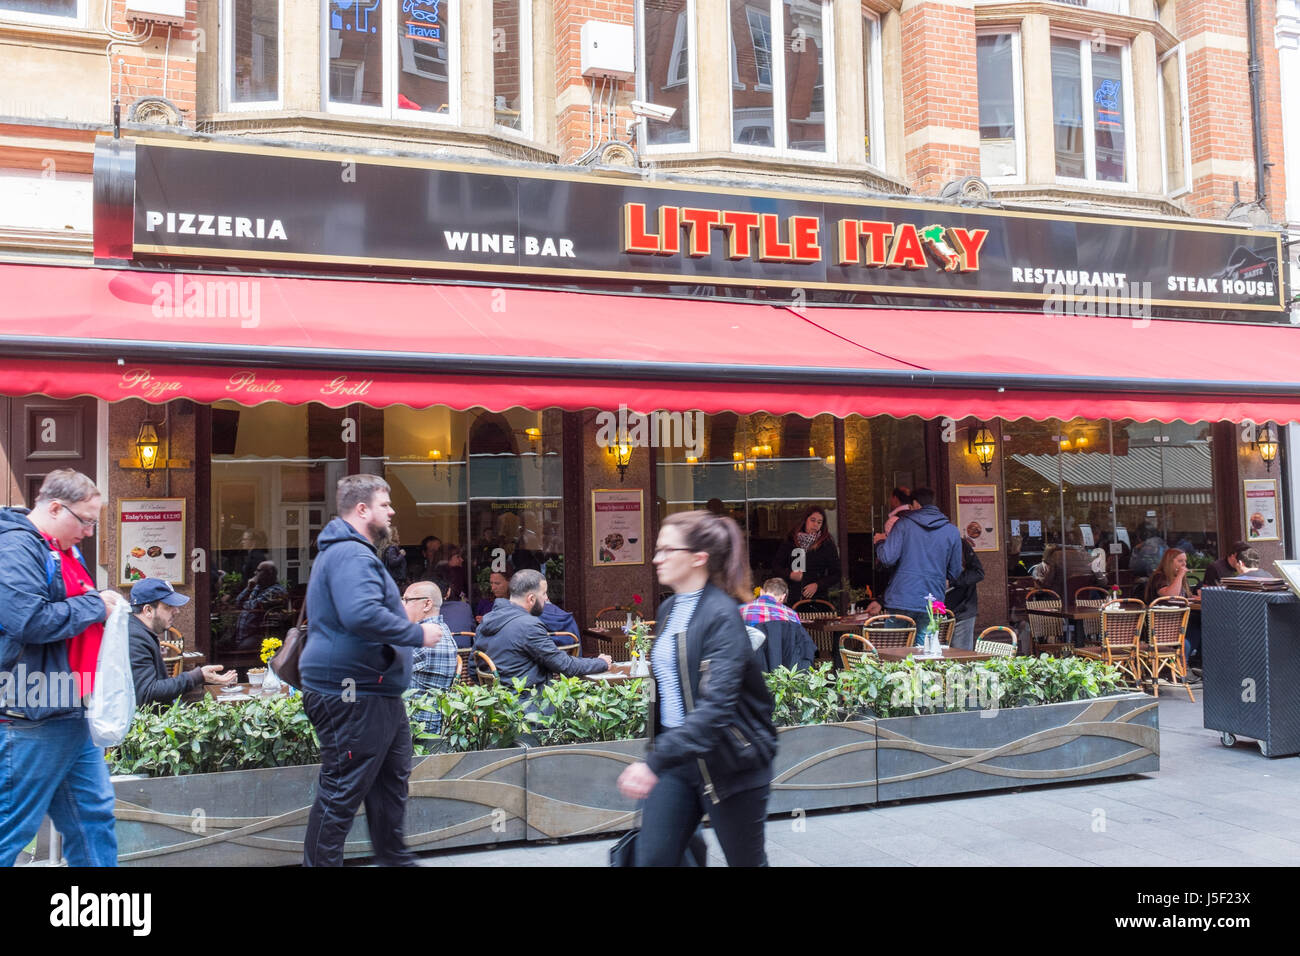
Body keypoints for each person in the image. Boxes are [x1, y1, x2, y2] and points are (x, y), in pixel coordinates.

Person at [297, 474, 448, 867]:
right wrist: (416, 633)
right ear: (362, 509)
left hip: (375, 691)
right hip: (352, 691)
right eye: (385, 503)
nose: (392, 510)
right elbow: (360, 614)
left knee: (390, 783)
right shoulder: (351, 554)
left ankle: (396, 860)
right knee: (343, 789)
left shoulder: (354, 553)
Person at [617, 510, 778, 867]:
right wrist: (660, 755)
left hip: (731, 763)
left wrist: (653, 762)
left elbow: (716, 709)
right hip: (678, 761)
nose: (656, 558)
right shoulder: (670, 608)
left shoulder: (722, 617)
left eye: (666, 550)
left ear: (698, 558)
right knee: (653, 858)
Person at [0, 468, 125, 867]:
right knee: (12, 830)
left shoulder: (60, 547)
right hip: (30, 713)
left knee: (94, 819)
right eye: (86, 520)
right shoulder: (16, 548)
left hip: (69, 710)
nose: (90, 531)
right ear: (55, 507)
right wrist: (95, 606)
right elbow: (28, 620)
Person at [473, 570, 611, 691]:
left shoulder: (485, 622)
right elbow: (565, 666)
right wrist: (601, 662)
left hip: (495, 708)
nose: (546, 598)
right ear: (531, 599)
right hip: (531, 710)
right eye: (544, 593)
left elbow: (473, 669)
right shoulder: (528, 626)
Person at [129, 578, 232, 706]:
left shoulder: (138, 632)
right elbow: (147, 693)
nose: (176, 611)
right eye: (168, 606)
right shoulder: (135, 639)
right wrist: (197, 675)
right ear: (148, 610)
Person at [873, 488, 963, 630]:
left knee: (895, 649)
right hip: (933, 599)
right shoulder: (951, 531)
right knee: (925, 649)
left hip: (902, 598)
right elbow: (955, 571)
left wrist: (879, 542)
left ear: (915, 504)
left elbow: (887, 558)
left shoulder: (902, 524)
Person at [402, 581, 458, 738]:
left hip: (418, 732)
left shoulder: (427, 640)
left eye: (406, 600)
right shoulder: (441, 630)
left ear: (427, 604)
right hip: (423, 725)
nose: (401, 606)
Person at [740, 578, 816, 671]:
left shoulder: (742, 610)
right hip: (783, 670)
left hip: (752, 669)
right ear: (783, 597)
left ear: (761, 592)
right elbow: (800, 645)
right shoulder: (791, 615)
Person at [772, 505, 840, 604]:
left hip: (817, 600)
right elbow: (776, 566)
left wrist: (818, 585)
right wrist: (790, 574)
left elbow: (836, 574)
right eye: (812, 520)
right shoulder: (791, 541)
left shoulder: (826, 544)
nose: (815, 524)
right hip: (791, 598)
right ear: (805, 520)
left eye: (819, 522)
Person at [233, 560, 289, 649]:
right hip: (243, 636)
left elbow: (254, 606)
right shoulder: (257, 587)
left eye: (258, 570)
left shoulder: (277, 591)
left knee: (238, 650)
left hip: (261, 635)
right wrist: (248, 588)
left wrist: (246, 603)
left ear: (269, 574)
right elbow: (238, 603)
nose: (255, 573)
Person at [945, 537, 985, 650]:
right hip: (935, 612)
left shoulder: (960, 543)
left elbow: (978, 573)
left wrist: (952, 582)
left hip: (962, 609)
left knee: (961, 654)